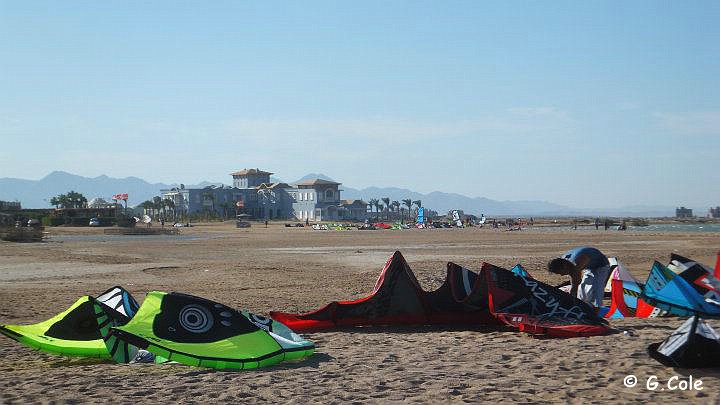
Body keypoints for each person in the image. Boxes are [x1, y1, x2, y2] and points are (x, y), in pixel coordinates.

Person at [547, 246, 611, 308]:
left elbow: (575, 283)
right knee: (582, 291)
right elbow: (574, 285)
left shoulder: (577, 263)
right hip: (588, 266)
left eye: (560, 272)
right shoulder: (565, 262)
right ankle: (583, 307)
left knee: (596, 292)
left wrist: (572, 301)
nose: (562, 275)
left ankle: (595, 314)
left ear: (564, 267)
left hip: (601, 266)